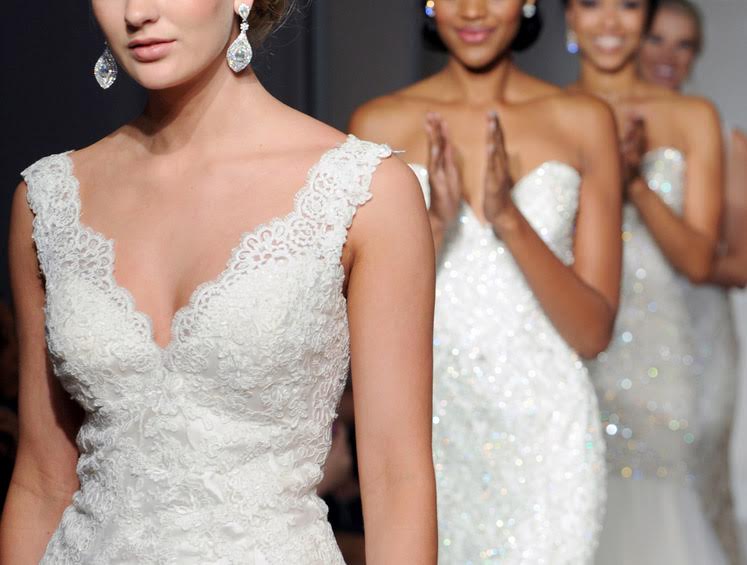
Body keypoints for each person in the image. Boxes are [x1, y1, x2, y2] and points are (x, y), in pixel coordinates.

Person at [0, 1, 438, 563]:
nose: (137, 12)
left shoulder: (367, 192)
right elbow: (41, 481)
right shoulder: (47, 201)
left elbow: (397, 479)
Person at [351, 0, 623, 562]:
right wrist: (433, 224)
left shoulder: (584, 120)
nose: (473, 10)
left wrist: (509, 219)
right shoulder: (377, 125)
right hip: (425, 433)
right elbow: (360, 325)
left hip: (547, 440)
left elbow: (593, 332)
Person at [565, 0, 728, 562]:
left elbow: (700, 261)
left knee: (661, 509)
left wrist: (634, 182)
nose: (611, 21)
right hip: (568, 338)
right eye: (592, 3)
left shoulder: (691, 117)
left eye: (629, 5)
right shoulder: (544, 112)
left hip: (656, 345)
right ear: (567, 16)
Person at [639, 3, 747, 561]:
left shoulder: (722, 141)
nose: (667, 56)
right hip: (619, 331)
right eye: (657, 39)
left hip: (699, 332)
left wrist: (683, 252)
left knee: (698, 479)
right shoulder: (591, 124)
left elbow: (740, 263)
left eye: (683, 44)